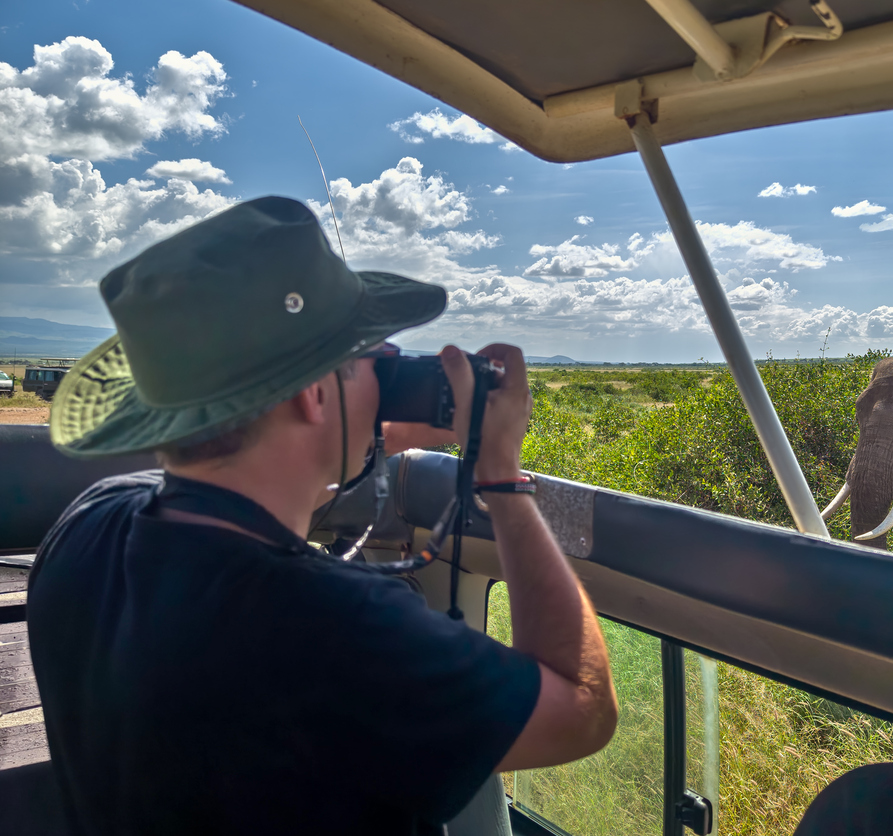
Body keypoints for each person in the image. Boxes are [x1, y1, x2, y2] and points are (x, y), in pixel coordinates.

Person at [26, 196, 618, 835]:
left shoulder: (89, 526)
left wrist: (361, 433)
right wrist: (499, 476)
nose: (383, 376)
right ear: (313, 393)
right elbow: (581, 708)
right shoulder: (340, 628)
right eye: (371, 359)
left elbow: (243, 490)